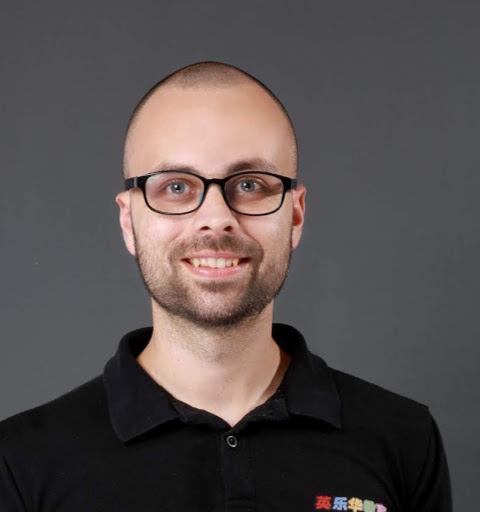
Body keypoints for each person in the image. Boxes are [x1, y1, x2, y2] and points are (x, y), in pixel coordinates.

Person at [0, 61, 452, 511]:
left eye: (250, 184)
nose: (216, 218)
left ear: (295, 215)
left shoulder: (403, 438)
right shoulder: (22, 460)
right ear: (128, 221)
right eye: (176, 187)